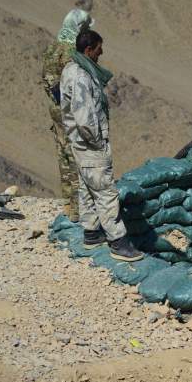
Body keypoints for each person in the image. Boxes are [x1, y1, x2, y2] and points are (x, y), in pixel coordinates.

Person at [60, 29, 142, 262]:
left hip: (80, 143)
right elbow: (85, 117)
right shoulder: (81, 77)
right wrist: (98, 142)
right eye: (98, 49)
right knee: (106, 191)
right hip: (90, 144)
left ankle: (92, 233)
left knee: (88, 187)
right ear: (88, 49)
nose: (101, 53)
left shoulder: (72, 69)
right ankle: (118, 242)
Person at [42, 9, 93, 222]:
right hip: (70, 109)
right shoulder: (72, 50)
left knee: (63, 154)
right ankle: (79, 208)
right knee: (76, 156)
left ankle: (69, 206)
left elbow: (46, 78)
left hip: (55, 108)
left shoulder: (53, 46)